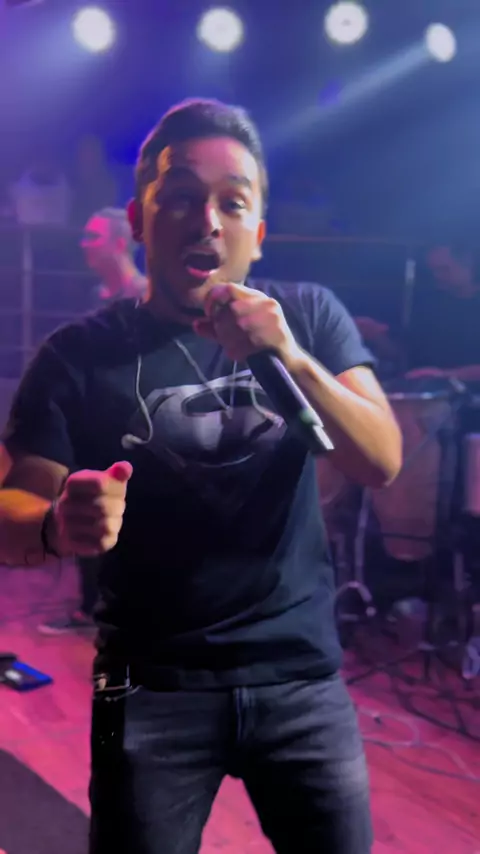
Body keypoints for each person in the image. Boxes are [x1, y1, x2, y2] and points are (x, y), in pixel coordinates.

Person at [0, 98, 401, 854]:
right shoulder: (75, 356)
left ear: (259, 231)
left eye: (232, 202)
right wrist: (56, 523)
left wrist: (290, 357)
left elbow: (380, 460)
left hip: (302, 680)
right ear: (138, 218)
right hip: (146, 684)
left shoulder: (309, 316)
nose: (208, 220)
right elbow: (11, 508)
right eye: (180, 196)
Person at [38, 208, 146, 634]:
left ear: (119, 243)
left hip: (134, 424)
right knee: (87, 506)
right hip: (93, 421)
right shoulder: (96, 296)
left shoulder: (144, 295)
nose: (83, 244)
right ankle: (90, 608)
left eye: (92, 237)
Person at [407, 244, 480, 384]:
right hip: (431, 391)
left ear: (467, 263)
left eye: (444, 269)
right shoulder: (429, 305)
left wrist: (446, 375)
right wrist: (377, 334)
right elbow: (406, 351)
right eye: (433, 270)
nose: (437, 276)